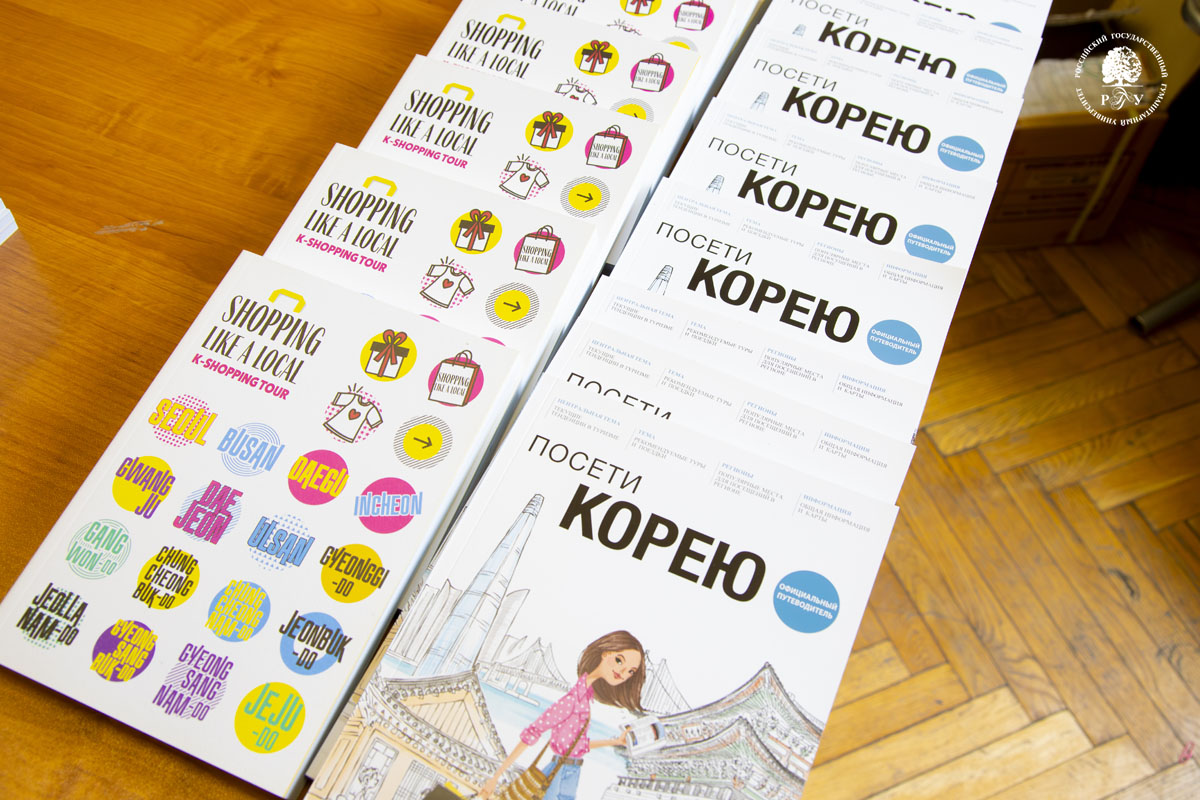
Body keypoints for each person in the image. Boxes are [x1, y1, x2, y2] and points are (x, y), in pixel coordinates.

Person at [478, 630, 646, 800]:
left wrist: (615, 742)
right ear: (605, 653)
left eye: (630, 671)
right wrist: (495, 778)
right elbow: (532, 733)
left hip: (572, 773)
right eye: (619, 660)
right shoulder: (572, 700)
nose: (623, 672)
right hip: (558, 773)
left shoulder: (585, 699)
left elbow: (576, 745)